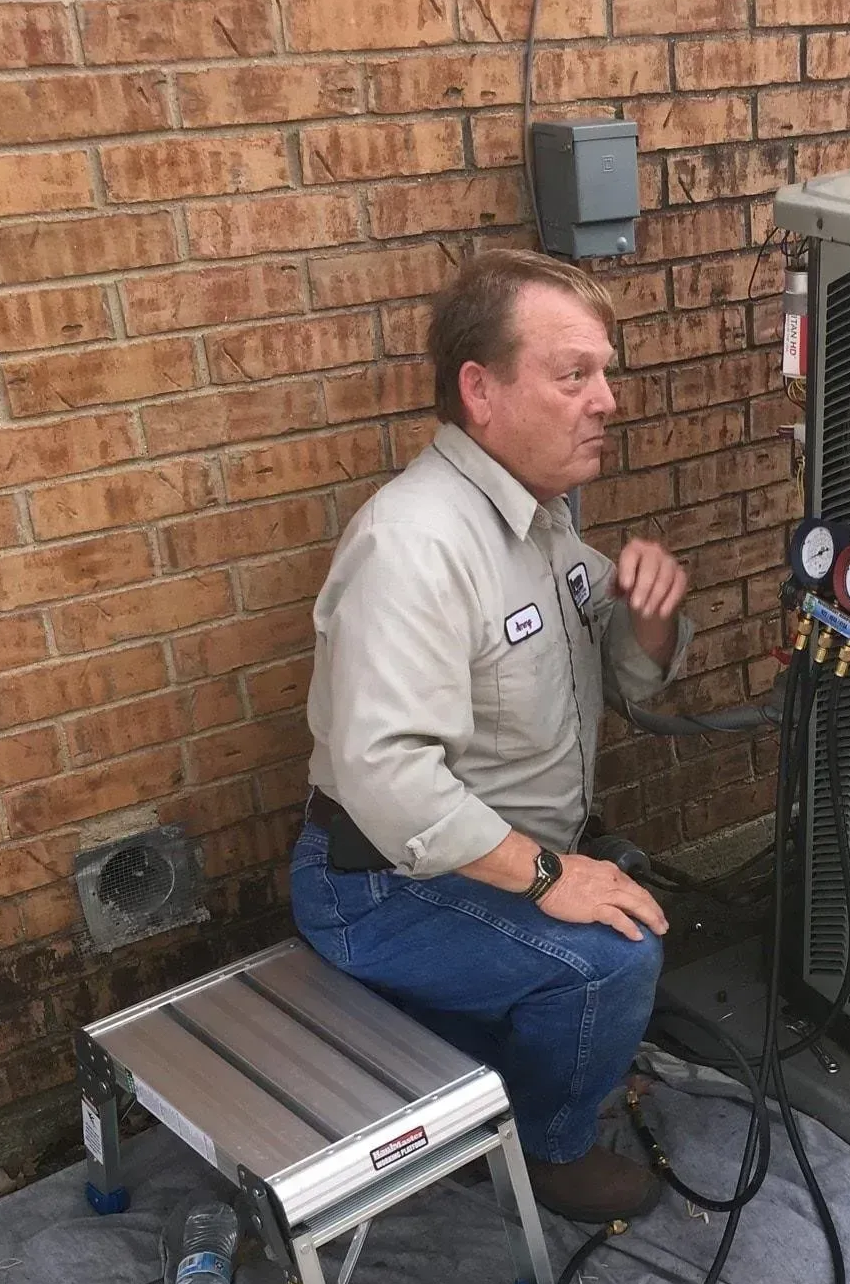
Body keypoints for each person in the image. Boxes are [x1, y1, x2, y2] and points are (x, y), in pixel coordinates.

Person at [290, 249, 692, 1222]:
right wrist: (558, 879)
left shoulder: (543, 525)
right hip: (382, 885)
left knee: (609, 919)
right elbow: (388, 779)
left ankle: (483, 1059)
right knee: (617, 954)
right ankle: (555, 1149)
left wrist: (650, 614)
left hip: (486, 868)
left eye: (605, 371)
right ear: (481, 389)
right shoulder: (415, 544)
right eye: (573, 375)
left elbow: (629, 679)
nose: (608, 399)